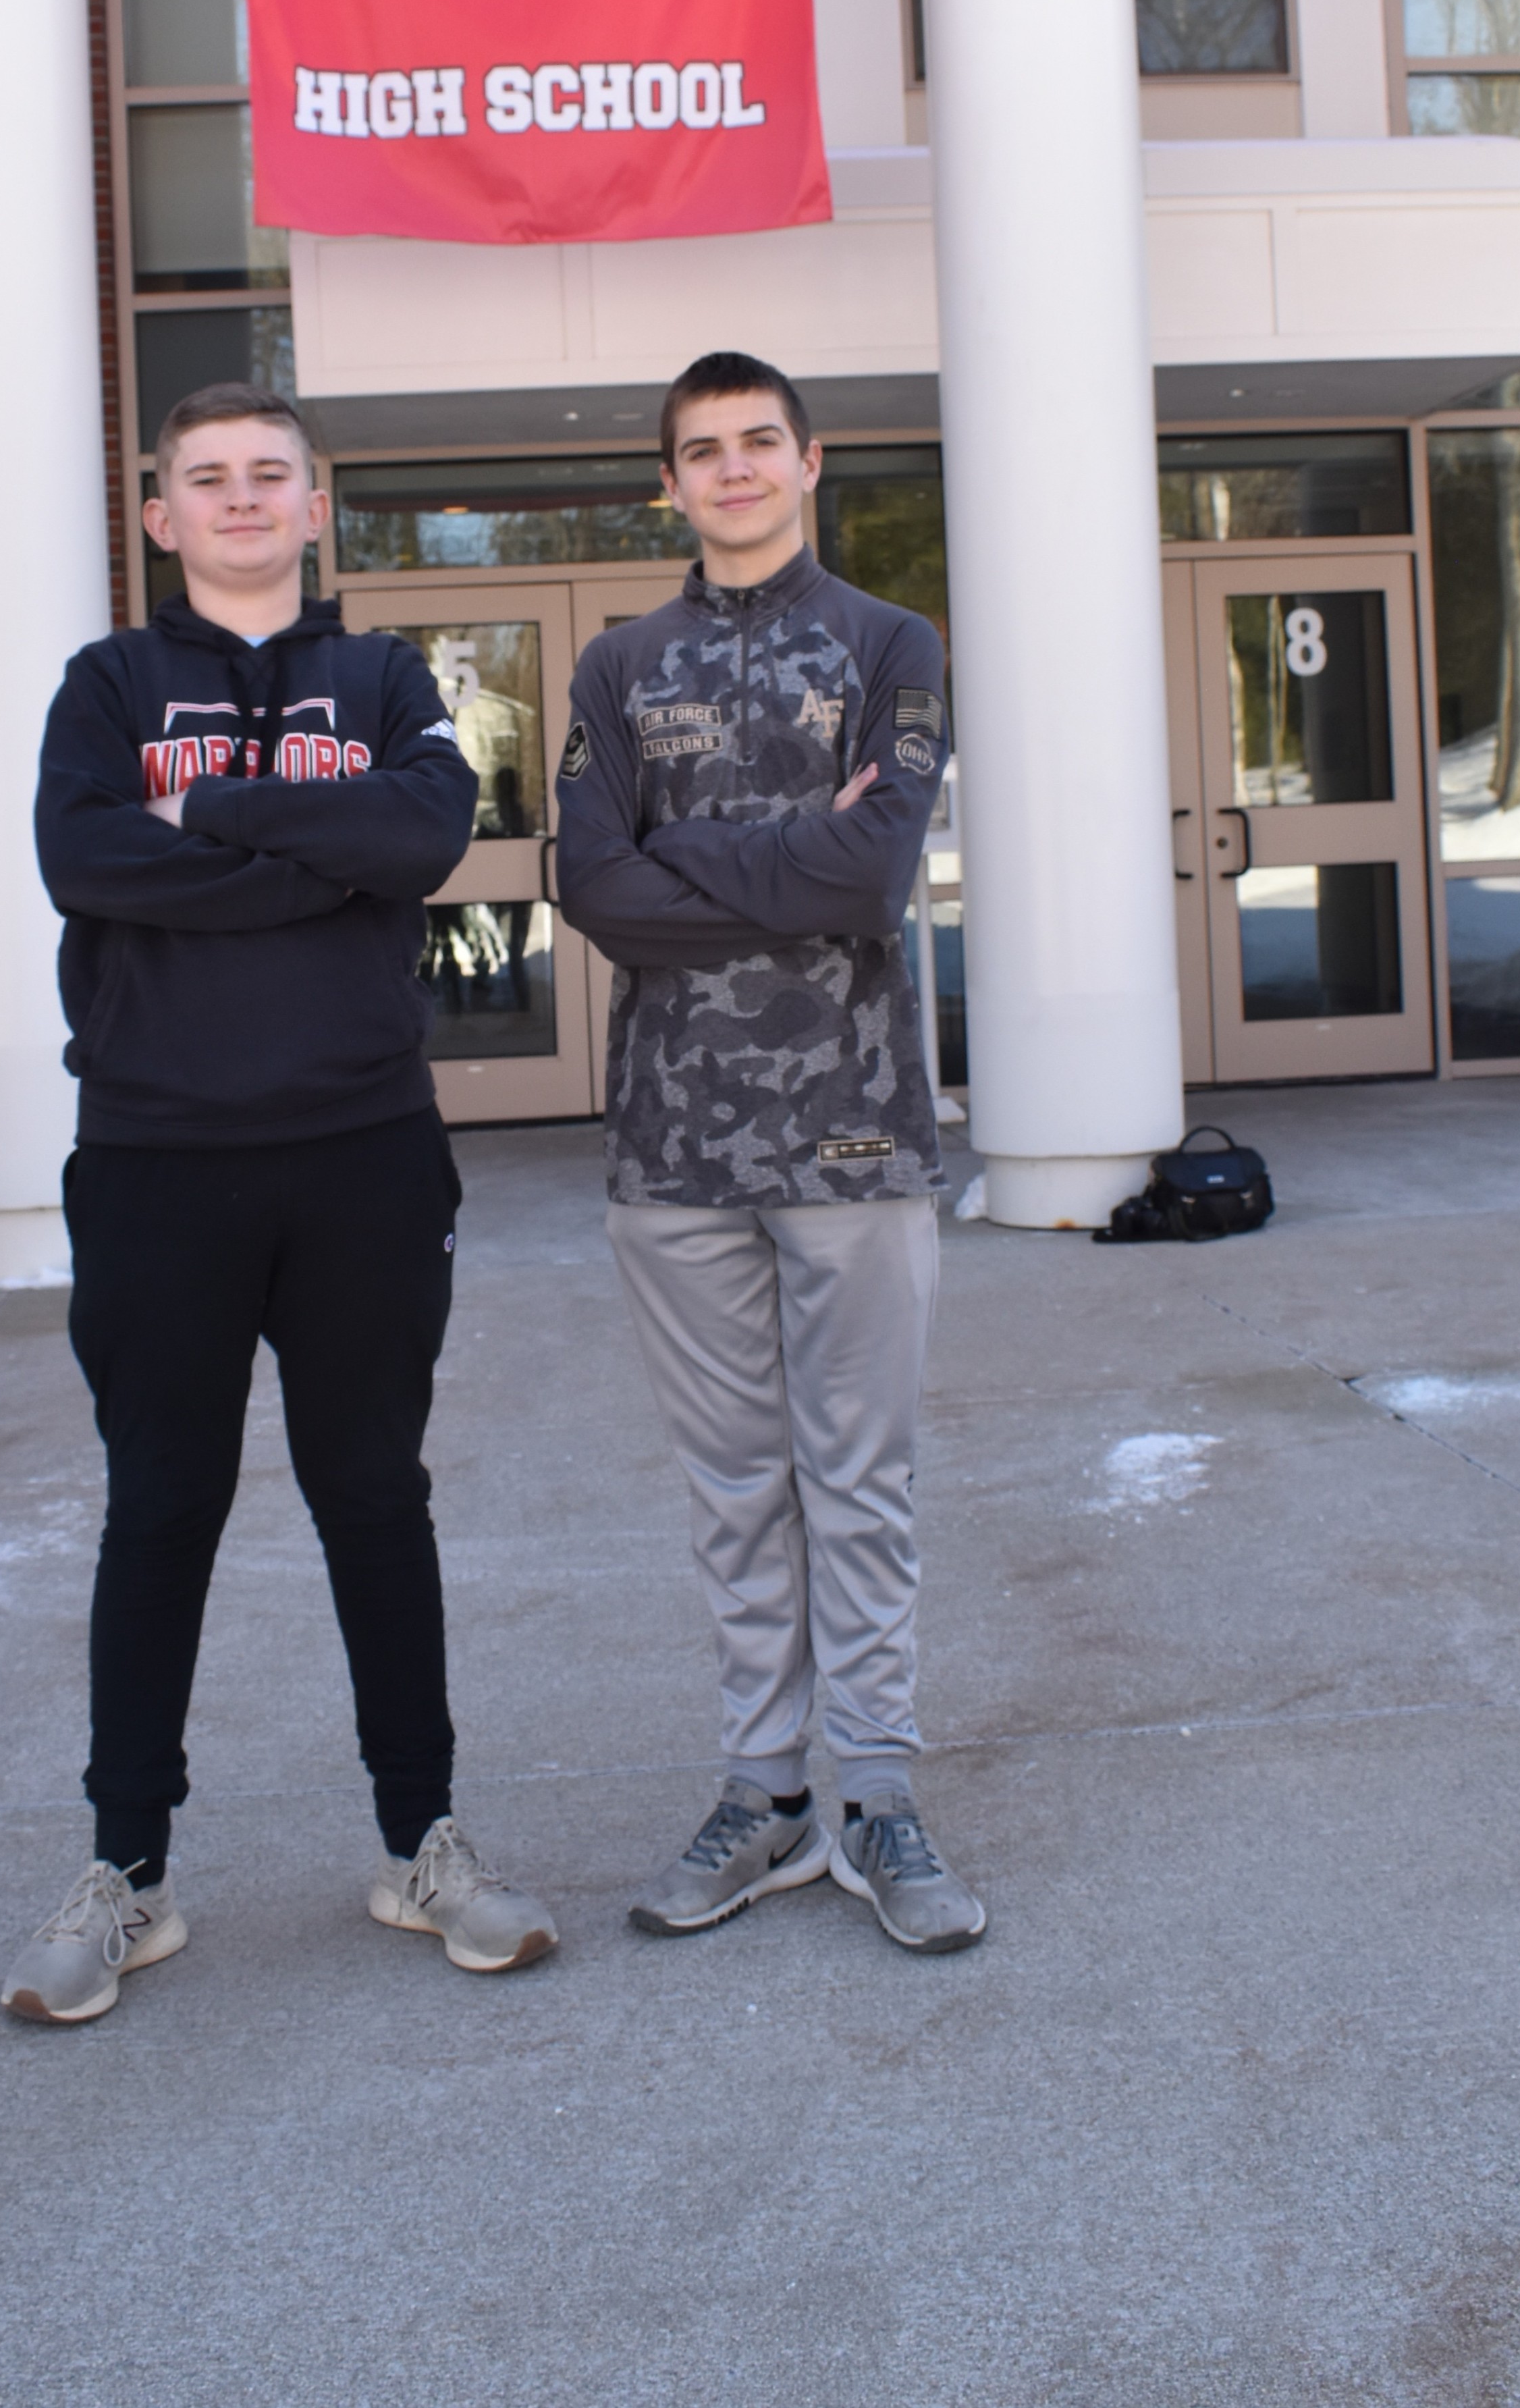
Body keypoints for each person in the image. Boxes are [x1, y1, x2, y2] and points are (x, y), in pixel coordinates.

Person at [3, 380, 558, 2023]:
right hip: (155, 1157)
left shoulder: (382, 678)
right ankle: (127, 1872)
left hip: (360, 1151)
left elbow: (427, 833)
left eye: (269, 475)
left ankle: (421, 1846)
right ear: (161, 515)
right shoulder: (107, 686)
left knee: (373, 1496)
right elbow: (86, 862)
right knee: (160, 1506)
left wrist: (216, 813)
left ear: (316, 509)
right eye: (207, 477)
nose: (241, 498)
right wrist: (321, 858)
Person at [555, 350, 984, 1954]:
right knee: (736, 1490)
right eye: (701, 450)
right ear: (667, 483)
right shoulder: (617, 667)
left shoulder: (887, 643)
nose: (730, 469)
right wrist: (787, 854)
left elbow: (871, 878)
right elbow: (590, 889)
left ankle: (875, 1794)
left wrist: (685, 854)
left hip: (856, 1135)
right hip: (670, 1150)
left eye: (757, 442)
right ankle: (766, 1793)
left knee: (857, 1481)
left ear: (810, 462)